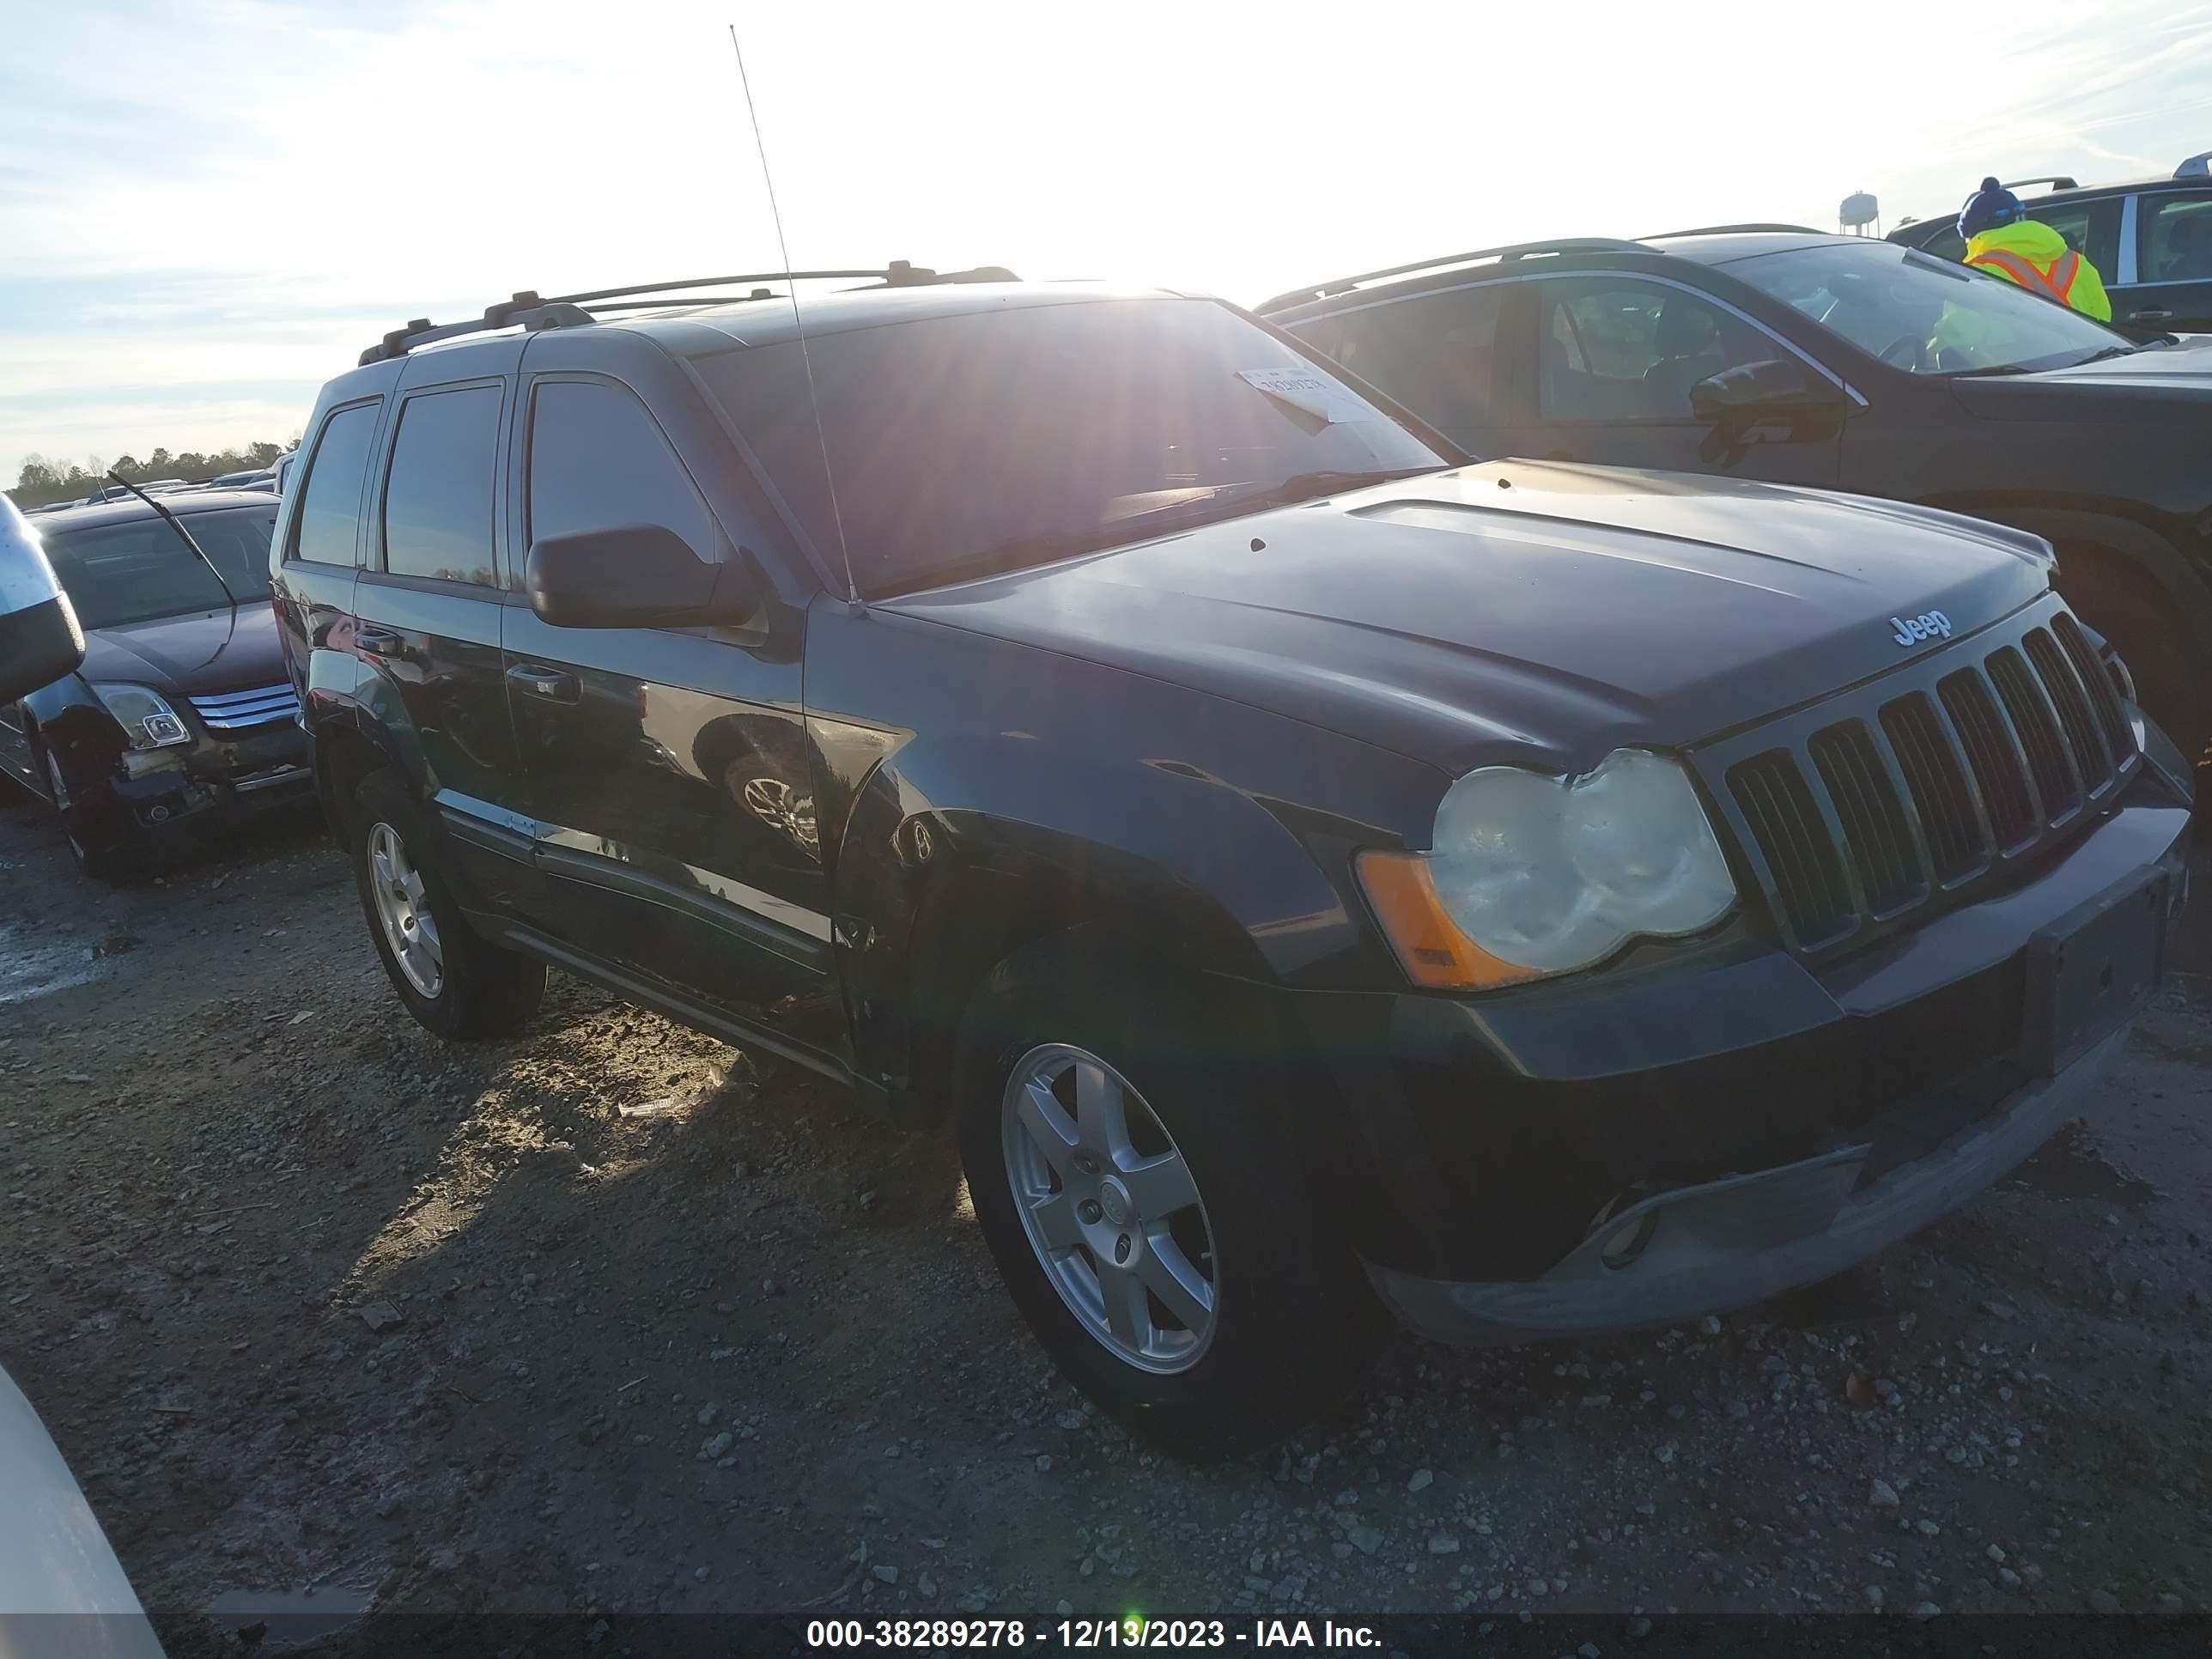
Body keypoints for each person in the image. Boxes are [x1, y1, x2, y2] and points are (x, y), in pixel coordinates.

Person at [1955, 177, 2112, 321]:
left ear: (1973, 234)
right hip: (2094, 351)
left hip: (2020, 352)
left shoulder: (1979, 272)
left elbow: (1964, 331)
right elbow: (2103, 316)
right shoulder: (2075, 261)